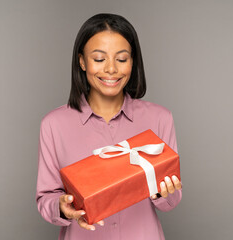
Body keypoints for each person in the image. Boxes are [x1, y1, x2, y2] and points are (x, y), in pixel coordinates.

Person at [36, 13, 182, 240]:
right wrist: (61, 207)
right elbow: (46, 198)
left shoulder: (160, 118)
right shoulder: (54, 125)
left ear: (133, 62)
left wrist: (164, 192)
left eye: (122, 59)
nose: (111, 69)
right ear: (82, 61)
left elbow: (171, 201)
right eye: (99, 59)